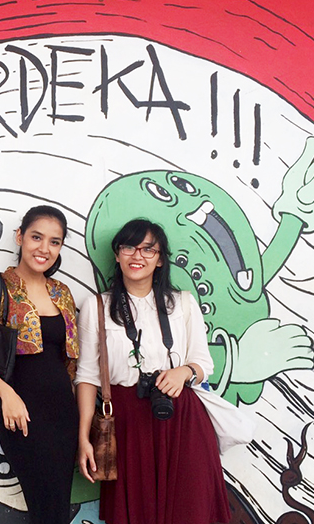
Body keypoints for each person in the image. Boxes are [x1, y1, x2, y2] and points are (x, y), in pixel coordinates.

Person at [76, 218, 230, 524]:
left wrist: (183, 372)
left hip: (182, 419)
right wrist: (84, 437)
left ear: (160, 260)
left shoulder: (183, 303)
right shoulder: (96, 307)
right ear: (117, 254)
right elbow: (87, 377)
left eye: (148, 249)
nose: (138, 256)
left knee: (191, 512)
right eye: (129, 247)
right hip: (127, 424)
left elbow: (204, 364)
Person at [0, 205, 79, 524]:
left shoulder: (62, 293)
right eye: (37, 237)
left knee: (57, 511)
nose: (44, 248)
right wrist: (6, 394)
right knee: (44, 510)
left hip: (64, 416)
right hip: (22, 416)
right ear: (20, 237)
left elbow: (68, 363)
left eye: (54, 241)